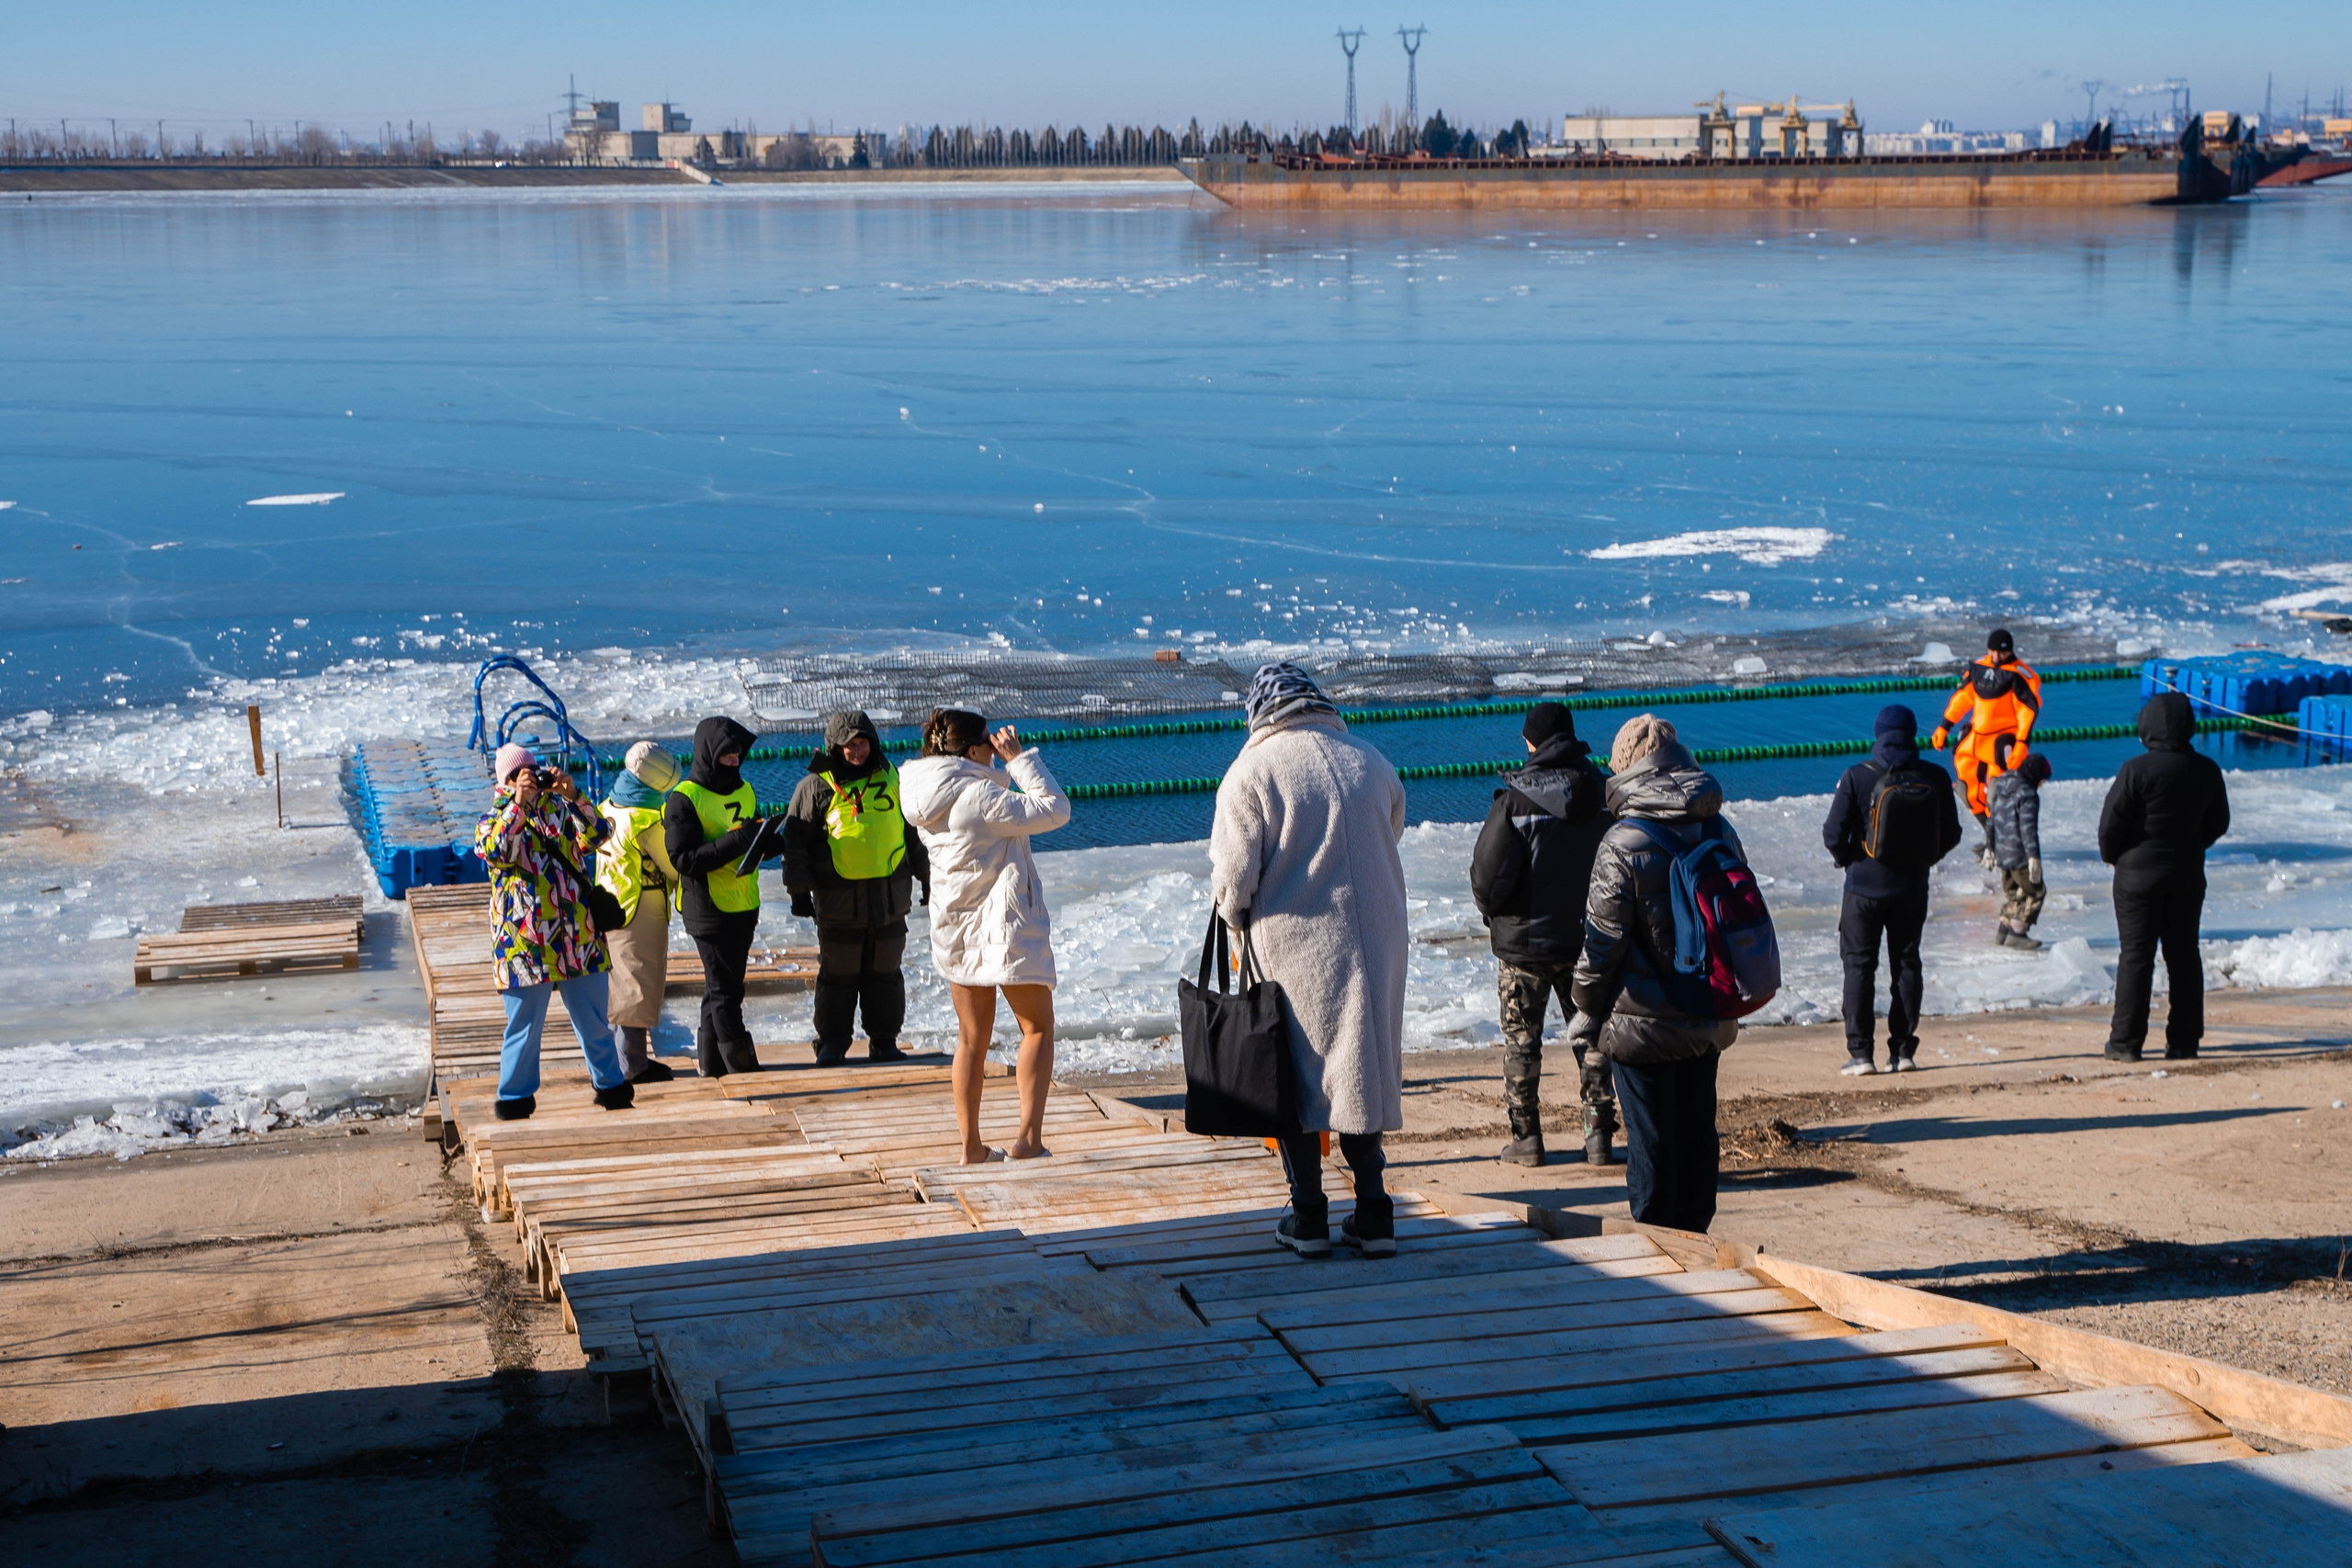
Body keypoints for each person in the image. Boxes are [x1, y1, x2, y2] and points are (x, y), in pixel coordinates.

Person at [1209, 662, 1409, 1259]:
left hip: (1296, 941)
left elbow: (1235, 877)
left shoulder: (1252, 771)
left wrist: (1233, 916)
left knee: (1295, 1074)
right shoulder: (1370, 760)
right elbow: (1391, 829)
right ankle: (1374, 1211)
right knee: (1362, 1062)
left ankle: (1308, 1214)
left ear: (1259, 712)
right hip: (1376, 935)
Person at [1570, 716, 1738, 1235]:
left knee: (1651, 1144)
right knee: (1697, 1132)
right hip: (1705, 1007)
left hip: (1639, 1022)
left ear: (1625, 768)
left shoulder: (1622, 841)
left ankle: (1661, 1249)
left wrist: (1584, 1007)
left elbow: (1602, 942)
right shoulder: (1717, 826)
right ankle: (1697, 1240)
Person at [899, 708, 1070, 1163]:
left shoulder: (926, 795)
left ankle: (971, 1147)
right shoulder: (979, 796)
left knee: (971, 1040)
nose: (995, 752)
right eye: (989, 745)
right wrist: (1019, 759)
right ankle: (1028, 1140)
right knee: (1037, 1027)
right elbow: (1055, 809)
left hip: (955, 926)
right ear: (974, 751)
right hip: (1002, 927)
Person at [1469, 701, 1615, 1168]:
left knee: (1522, 1042)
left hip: (1524, 947)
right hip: (1589, 941)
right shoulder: (1604, 793)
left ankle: (1527, 1139)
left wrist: (1495, 916)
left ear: (1531, 743)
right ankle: (1599, 1137)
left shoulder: (1514, 803)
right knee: (1591, 1039)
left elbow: (1486, 880)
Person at [474, 744, 632, 1119]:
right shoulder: (491, 819)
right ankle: (514, 1099)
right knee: (523, 1028)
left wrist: (573, 794)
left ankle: (611, 1087)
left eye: (534, 770)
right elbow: (497, 850)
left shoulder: (559, 810)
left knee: (595, 1022)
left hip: (578, 937)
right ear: (507, 781)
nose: (531, 778)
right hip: (525, 943)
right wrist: (518, 804)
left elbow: (599, 835)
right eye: (521, 774)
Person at [1820, 705, 1964, 1075]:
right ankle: (1902, 1053)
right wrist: (1923, 860)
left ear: (1878, 733)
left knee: (1859, 967)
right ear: (1913, 734)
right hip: (1912, 889)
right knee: (1907, 963)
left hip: (1864, 890)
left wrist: (1850, 860)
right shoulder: (1934, 775)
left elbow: (1833, 834)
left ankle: (1861, 1054)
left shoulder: (1857, 775)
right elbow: (1952, 834)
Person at [785, 710, 931, 1066]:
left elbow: (914, 835)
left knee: (886, 974)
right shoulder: (815, 786)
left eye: (863, 742)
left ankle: (884, 1041)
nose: (857, 750)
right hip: (839, 903)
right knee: (838, 975)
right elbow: (796, 845)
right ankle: (832, 1044)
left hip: (889, 900)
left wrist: (928, 878)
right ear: (835, 747)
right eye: (849, 745)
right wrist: (799, 892)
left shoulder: (892, 777)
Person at [2098, 693, 2230, 1062]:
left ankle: (2126, 1043)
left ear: (2147, 727)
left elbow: (2110, 826)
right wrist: (2194, 845)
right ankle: (2184, 1041)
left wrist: (2116, 857)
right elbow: (2219, 821)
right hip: (2186, 873)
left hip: (2136, 878)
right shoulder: (2207, 769)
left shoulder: (2135, 770)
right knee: (2184, 956)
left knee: (2136, 957)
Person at [665, 716, 769, 1078]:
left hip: (743, 901)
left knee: (719, 987)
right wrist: (736, 841)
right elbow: (683, 859)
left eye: (737, 753)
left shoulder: (745, 789)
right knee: (726, 992)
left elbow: (748, 839)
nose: (734, 760)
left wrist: (767, 840)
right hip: (708, 908)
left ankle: (711, 1066)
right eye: (726, 754)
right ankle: (741, 1066)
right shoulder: (684, 799)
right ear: (709, 754)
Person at [595, 740, 683, 1084]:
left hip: (610, 903)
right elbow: (673, 865)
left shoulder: (608, 807)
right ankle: (633, 1064)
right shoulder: (645, 819)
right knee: (637, 985)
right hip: (641, 908)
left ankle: (622, 1059)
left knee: (618, 983)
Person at [1932, 628, 2043, 865]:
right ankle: (1994, 836)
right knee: (1966, 791)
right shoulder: (1978, 668)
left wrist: (2022, 743)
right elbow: (1962, 698)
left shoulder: (2021, 675)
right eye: (1992, 651)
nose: (1995, 656)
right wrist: (1945, 725)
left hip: (2002, 743)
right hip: (1975, 739)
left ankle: (1996, 844)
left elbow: (2027, 712)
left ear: (2009, 651)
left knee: (1996, 796)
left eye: (2000, 653)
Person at [1989, 751, 2054, 952]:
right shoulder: (2028, 795)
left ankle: (2004, 929)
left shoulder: (2003, 787)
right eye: (2042, 780)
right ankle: (2018, 933)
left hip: (2002, 852)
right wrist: (2033, 857)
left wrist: (1990, 847)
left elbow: (1992, 819)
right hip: (2019, 854)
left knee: (2015, 893)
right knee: (2035, 891)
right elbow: (2028, 829)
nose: (2042, 785)